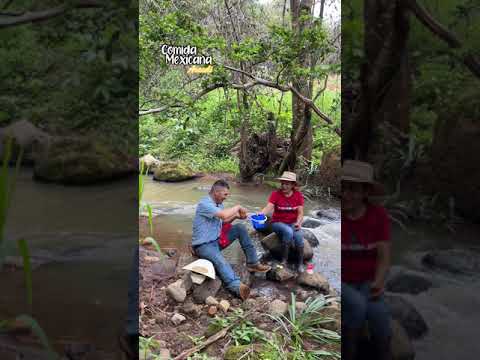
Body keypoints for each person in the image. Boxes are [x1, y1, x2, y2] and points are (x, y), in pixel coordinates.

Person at [341, 160, 392, 360]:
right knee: (357, 306)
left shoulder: (378, 215)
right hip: (344, 283)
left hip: (366, 282)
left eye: (353, 190)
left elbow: (384, 255)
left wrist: (379, 281)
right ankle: (349, 350)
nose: (346, 195)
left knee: (381, 322)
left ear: (365, 193)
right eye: (343, 188)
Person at [191, 179, 271, 300]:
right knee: (220, 261)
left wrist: (238, 216)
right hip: (203, 246)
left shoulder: (218, 204)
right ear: (216, 192)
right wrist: (238, 207)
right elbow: (223, 215)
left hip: (216, 241)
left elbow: (223, 221)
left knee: (240, 228)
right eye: (225, 194)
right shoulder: (205, 204)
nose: (226, 197)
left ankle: (253, 263)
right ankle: (236, 286)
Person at [259, 171, 305, 272]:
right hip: (277, 222)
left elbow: (301, 213)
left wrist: (298, 223)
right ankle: (284, 261)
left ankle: (300, 263)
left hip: (293, 222)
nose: (284, 186)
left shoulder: (298, 195)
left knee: (299, 237)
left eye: (287, 184)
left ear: (293, 185)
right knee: (288, 231)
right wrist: (260, 214)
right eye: (283, 183)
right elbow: (269, 207)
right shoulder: (276, 194)